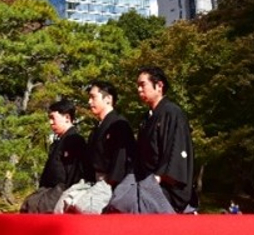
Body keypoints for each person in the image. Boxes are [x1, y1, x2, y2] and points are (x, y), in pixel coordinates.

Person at [56, 81, 136, 214]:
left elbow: (122, 160)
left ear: (108, 99)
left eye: (93, 97)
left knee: (86, 207)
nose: (89, 101)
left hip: (112, 183)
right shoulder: (96, 130)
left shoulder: (119, 125)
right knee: (64, 201)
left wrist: (111, 183)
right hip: (94, 182)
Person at [128, 66, 197, 213]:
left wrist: (157, 179)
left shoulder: (172, 112)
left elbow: (175, 151)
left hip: (164, 186)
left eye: (142, 85)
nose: (139, 90)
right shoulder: (146, 119)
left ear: (159, 86)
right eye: (138, 86)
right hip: (145, 182)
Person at [20, 99, 87, 213]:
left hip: (61, 193)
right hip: (49, 191)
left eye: (53, 118)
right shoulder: (59, 142)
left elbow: (73, 177)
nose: (50, 122)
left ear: (67, 117)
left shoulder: (75, 140)